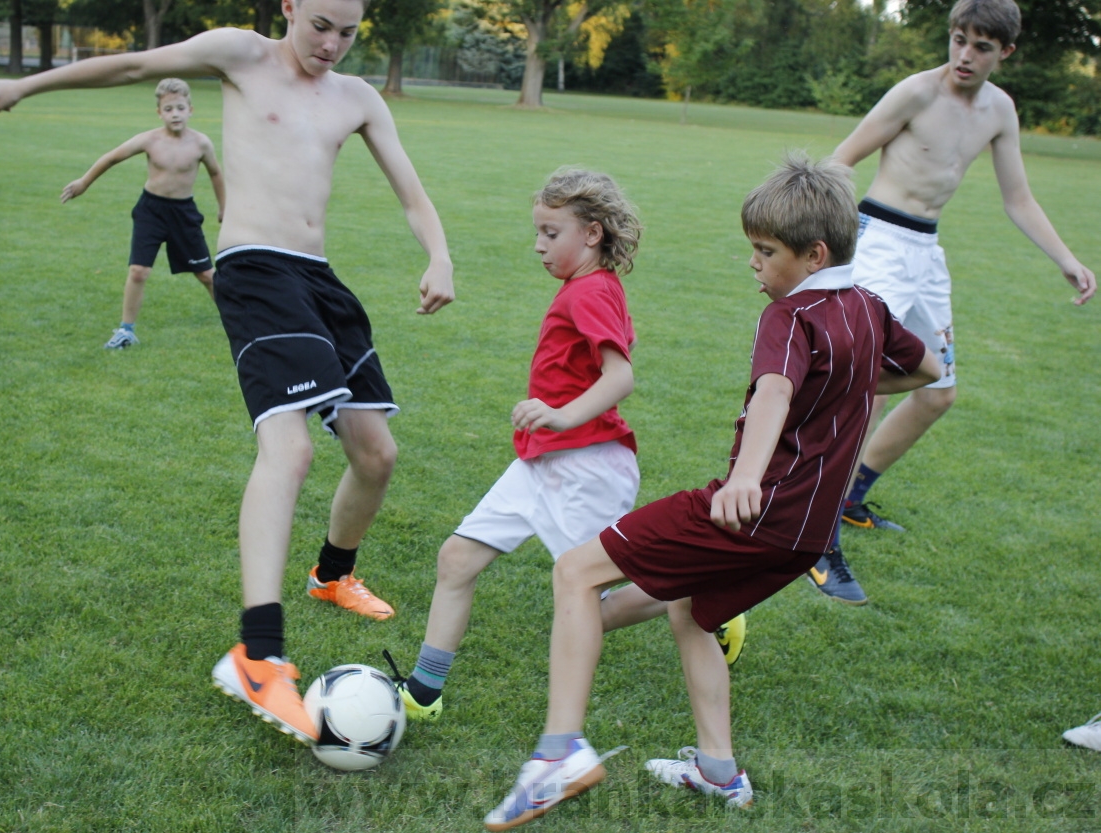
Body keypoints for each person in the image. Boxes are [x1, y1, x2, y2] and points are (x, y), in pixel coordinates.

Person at [0, 0, 454, 746]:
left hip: (320, 279)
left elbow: (412, 192)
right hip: (256, 269)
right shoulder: (241, 55)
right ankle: (258, 654)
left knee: (376, 453)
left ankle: (331, 573)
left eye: (349, 31)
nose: (332, 42)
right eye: (320, 23)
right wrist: (28, 86)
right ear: (289, 6)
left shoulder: (357, 98)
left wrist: (439, 253)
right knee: (288, 449)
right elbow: (133, 65)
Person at [481, 154, 941, 831]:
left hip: (755, 509)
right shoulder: (868, 308)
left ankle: (559, 753)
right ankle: (718, 770)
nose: (754, 264)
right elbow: (925, 367)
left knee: (576, 570)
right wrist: (845, 392)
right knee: (691, 612)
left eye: (765, 251)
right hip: (808, 534)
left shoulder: (791, 316)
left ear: (814, 254)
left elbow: (774, 391)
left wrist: (749, 476)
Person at [394, 169, 744, 721]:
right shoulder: (584, 288)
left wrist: (560, 415)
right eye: (537, 232)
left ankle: (704, 588)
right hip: (541, 462)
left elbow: (619, 376)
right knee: (457, 558)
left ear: (592, 233)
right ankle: (423, 693)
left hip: (588, 466)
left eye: (550, 233)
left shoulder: (592, 291)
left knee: (590, 604)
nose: (538, 245)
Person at [813, 0, 1096, 604]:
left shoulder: (999, 111)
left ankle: (850, 497)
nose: (965, 55)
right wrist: (822, 246)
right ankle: (816, 534)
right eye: (959, 40)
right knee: (854, 383)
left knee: (937, 392)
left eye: (981, 46)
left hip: (926, 252)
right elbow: (841, 160)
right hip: (880, 242)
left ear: (1005, 53)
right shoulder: (914, 94)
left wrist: (1067, 260)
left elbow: (1017, 198)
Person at [60, 78, 226, 349]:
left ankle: (239, 320)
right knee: (138, 271)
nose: (175, 114)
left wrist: (223, 206)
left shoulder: (201, 143)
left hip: (184, 214)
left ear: (191, 110)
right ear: (159, 112)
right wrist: (84, 182)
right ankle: (126, 331)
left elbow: (216, 173)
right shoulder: (149, 140)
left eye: (180, 108)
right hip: (151, 210)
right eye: (169, 109)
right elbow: (112, 157)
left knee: (207, 275)